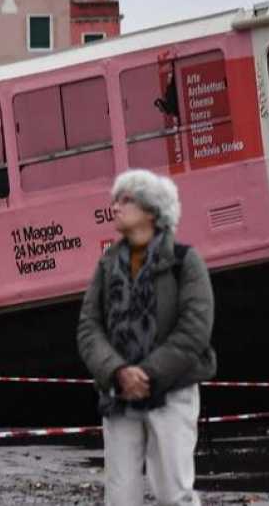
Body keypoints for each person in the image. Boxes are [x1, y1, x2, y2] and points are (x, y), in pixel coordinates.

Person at [77, 169, 216, 506]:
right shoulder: (107, 265)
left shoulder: (185, 261)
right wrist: (118, 372)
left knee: (174, 493)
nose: (116, 206)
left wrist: (149, 373)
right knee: (121, 497)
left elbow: (195, 328)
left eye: (126, 200)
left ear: (152, 211)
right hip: (119, 395)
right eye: (116, 199)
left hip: (172, 392)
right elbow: (88, 327)